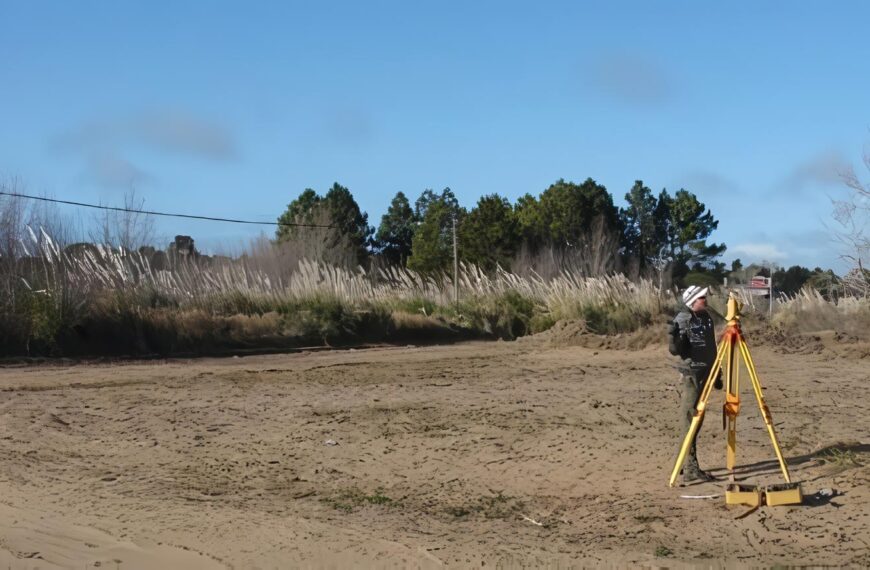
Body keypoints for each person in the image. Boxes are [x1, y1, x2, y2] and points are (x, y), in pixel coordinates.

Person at [668, 285, 722, 483]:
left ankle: (682, 464)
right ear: (692, 301)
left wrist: (717, 372)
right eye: (701, 298)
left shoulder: (706, 318)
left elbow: (711, 346)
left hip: (706, 371)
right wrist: (674, 339)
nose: (705, 300)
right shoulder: (683, 319)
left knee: (695, 421)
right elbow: (676, 350)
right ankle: (689, 468)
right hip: (692, 374)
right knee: (690, 420)